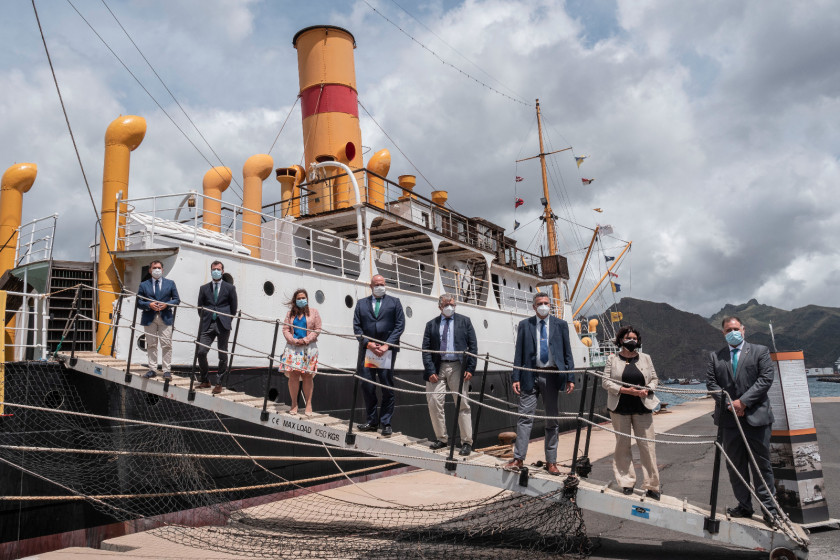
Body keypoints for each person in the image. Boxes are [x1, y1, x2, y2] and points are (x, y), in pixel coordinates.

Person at [706, 316, 778, 525]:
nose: (733, 332)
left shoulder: (760, 351)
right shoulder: (715, 357)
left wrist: (743, 403)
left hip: (757, 418)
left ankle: (769, 510)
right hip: (729, 422)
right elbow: (711, 384)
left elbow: (765, 379)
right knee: (736, 467)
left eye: (736, 328)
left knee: (761, 466)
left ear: (744, 330)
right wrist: (730, 404)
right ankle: (744, 506)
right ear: (723, 333)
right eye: (729, 330)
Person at [505, 292, 575, 475]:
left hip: (552, 375)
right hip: (530, 374)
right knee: (524, 418)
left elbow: (568, 352)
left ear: (550, 306)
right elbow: (518, 353)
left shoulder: (561, 325)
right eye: (540, 303)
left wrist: (570, 377)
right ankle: (519, 458)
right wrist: (516, 377)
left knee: (552, 420)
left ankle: (551, 462)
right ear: (534, 307)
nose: (544, 306)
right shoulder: (525, 325)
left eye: (546, 303)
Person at [602, 326, 661, 500]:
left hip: (642, 407)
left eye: (635, 338)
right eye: (628, 338)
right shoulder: (612, 360)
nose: (632, 341)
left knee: (647, 447)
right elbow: (606, 382)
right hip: (620, 408)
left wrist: (647, 390)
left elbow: (655, 379)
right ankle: (626, 482)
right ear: (621, 340)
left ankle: (652, 485)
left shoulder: (646, 358)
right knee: (622, 445)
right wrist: (627, 390)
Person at [421, 294, 478, 456]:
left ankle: (467, 442)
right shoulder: (431, 325)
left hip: (458, 366)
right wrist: (430, 370)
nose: (450, 307)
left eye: (452, 304)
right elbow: (426, 350)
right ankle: (441, 439)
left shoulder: (464, 321)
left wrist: (471, 368)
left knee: (463, 404)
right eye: (446, 304)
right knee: (434, 402)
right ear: (440, 306)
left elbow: (473, 346)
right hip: (437, 367)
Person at [352, 274, 405, 437]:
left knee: (387, 387)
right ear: (371, 286)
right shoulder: (361, 304)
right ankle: (372, 421)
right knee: (367, 386)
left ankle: (386, 423)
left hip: (386, 352)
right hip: (368, 351)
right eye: (377, 284)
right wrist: (368, 343)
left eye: (382, 283)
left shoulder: (395, 302)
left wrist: (386, 345)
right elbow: (357, 327)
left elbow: (399, 325)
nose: (380, 286)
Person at [196, 260, 238, 395]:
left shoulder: (230, 288)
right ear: (211, 271)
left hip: (223, 324)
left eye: (218, 269)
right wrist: (206, 317)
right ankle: (205, 379)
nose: (216, 271)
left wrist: (227, 319)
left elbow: (233, 307)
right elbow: (200, 307)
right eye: (214, 269)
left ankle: (219, 383)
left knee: (222, 354)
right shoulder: (204, 288)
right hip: (207, 324)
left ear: (222, 271)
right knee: (201, 351)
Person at [281, 288, 321, 416]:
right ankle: (294, 404)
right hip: (293, 348)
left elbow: (317, 328)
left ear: (307, 299)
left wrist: (306, 339)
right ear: (295, 300)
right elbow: (285, 329)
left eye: (303, 298)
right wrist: (292, 340)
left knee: (307, 376)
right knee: (293, 375)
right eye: (299, 298)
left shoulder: (314, 312)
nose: (301, 300)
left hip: (308, 348)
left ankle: (308, 404)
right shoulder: (290, 314)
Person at [137, 260, 180, 380]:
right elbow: (139, 302)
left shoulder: (170, 283)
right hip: (149, 317)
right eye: (155, 268)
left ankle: (167, 371)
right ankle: (152, 369)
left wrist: (166, 304)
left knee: (166, 344)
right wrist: (148, 304)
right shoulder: (143, 285)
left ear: (162, 270)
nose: (157, 270)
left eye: (159, 268)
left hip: (165, 317)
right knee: (151, 344)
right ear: (150, 270)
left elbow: (176, 299)